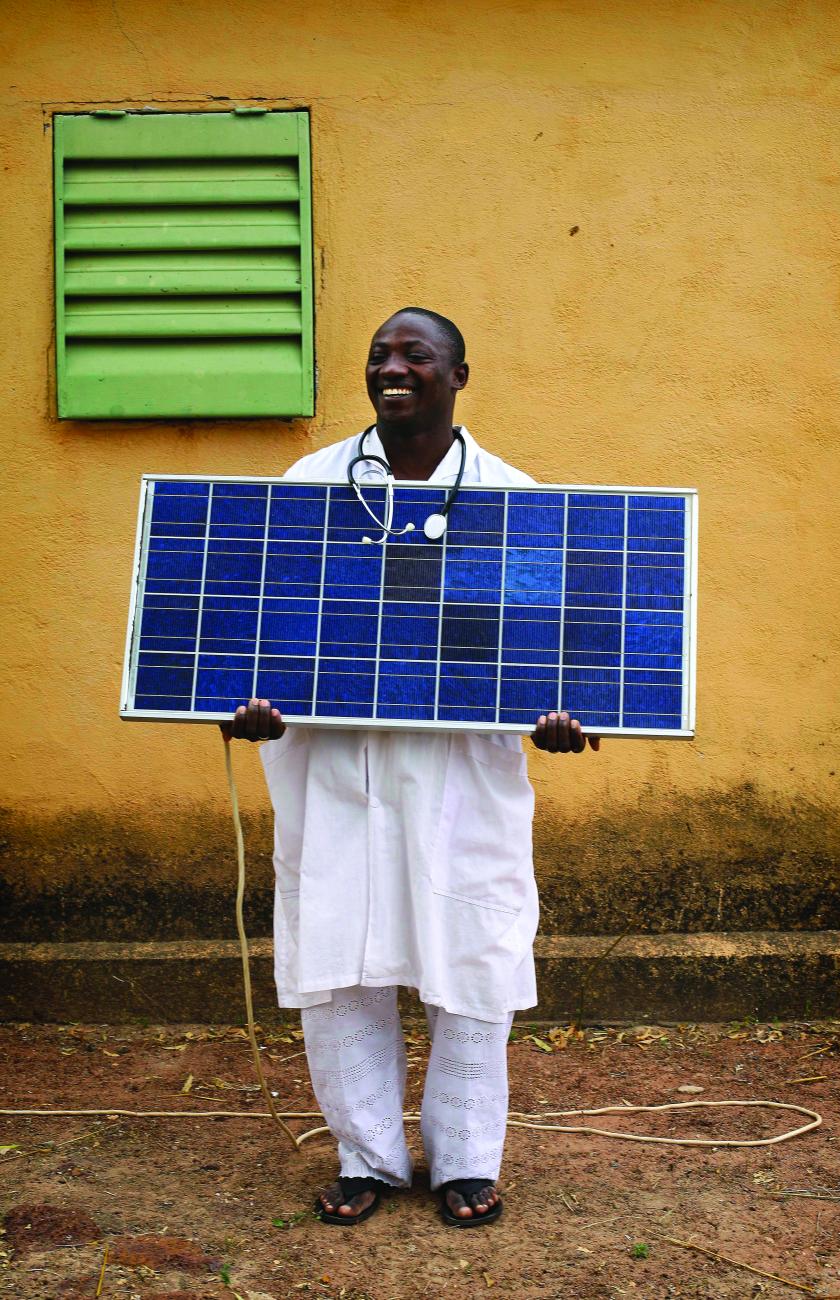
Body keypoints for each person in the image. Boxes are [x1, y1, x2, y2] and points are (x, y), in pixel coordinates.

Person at [224, 308, 600, 1227]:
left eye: (415, 356)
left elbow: (541, 657)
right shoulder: (308, 489)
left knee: (470, 953)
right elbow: (257, 633)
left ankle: (466, 1159)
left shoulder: (512, 498)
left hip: (459, 781)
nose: (393, 369)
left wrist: (555, 719)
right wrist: (251, 702)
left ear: (458, 377)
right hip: (333, 772)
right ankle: (366, 1158)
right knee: (339, 958)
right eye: (379, 357)